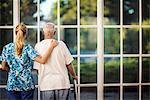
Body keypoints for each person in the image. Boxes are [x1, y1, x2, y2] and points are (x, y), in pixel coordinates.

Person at [0, 23, 58, 100]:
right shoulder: (27, 48)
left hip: (12, 85)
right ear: (25, 34)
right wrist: (51, 46)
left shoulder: (7, 48)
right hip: (26, 85)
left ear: (15, 33)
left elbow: (3, 67)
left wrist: (12, 70)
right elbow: (42, 60)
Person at [33, 22, 78, 100]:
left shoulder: (38, 46)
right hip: (62, 83)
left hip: (46, 84)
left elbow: (37, 69)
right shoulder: (61, 44)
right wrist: (74, 76)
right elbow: (69, 64)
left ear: (43, 32)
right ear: (54, 32)